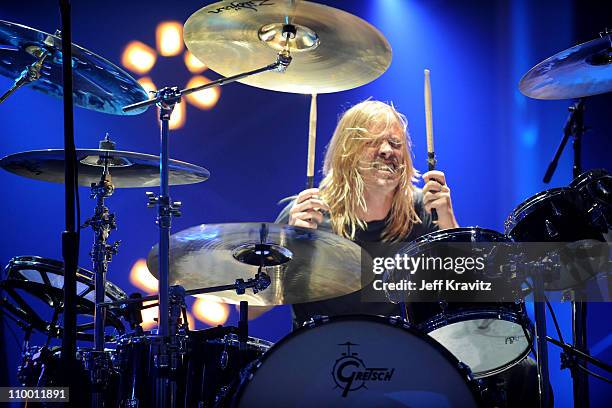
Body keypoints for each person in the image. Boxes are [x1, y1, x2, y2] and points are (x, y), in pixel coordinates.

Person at [275, 99, 547, 407]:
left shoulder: (424, 210)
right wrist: (290, 244)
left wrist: (448, 222)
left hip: (407, 356)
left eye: (395, 143)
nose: (387, 151)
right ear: (347, 151)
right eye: (372, 142)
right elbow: (254, 303)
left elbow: (473, 293)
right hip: (325, 360)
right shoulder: (308, 215)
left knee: (523, 372)